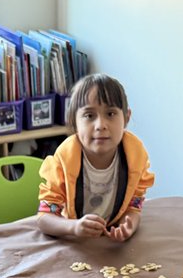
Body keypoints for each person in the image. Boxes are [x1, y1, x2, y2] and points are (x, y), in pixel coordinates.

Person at [37, 73, 155, 242]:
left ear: (126, 118)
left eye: (111, 114)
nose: (101, 125)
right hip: (74, 242)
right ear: (74, 122)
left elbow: (134, 206)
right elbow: (44, 218)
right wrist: (74, 227)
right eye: (89, 116)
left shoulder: (135, 155)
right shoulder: (64, 159)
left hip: (110, 245)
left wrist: (129, 225)